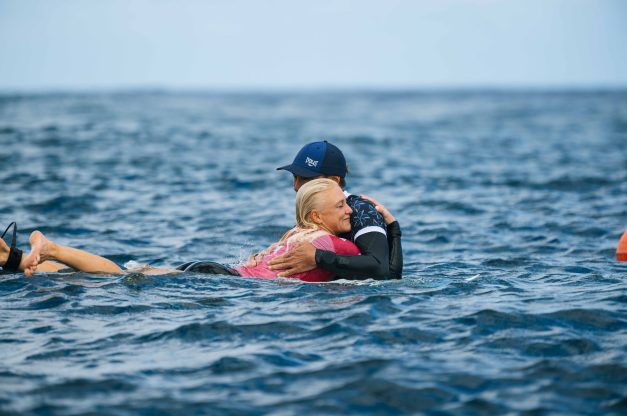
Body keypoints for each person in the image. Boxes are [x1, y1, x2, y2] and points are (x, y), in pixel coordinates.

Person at [1, 179, 362, 282]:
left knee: (108, 276)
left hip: (218, 271)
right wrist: (389, 228)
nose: (350, 209)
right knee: (113, 277)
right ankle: (50, 249)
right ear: (316, 217)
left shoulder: (295, 233)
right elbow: (380, 269)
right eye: (341, 206)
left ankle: (16, 259)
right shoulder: (329, 242)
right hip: (220, 279)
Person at [268, 140, 403, 280]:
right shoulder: (313, 210)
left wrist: (318, 257)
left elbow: (381, 270)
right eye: (295, 177)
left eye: (305, 178)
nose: (296, 186)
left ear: (334, 180)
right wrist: (261, 258)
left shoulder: (362, 211)